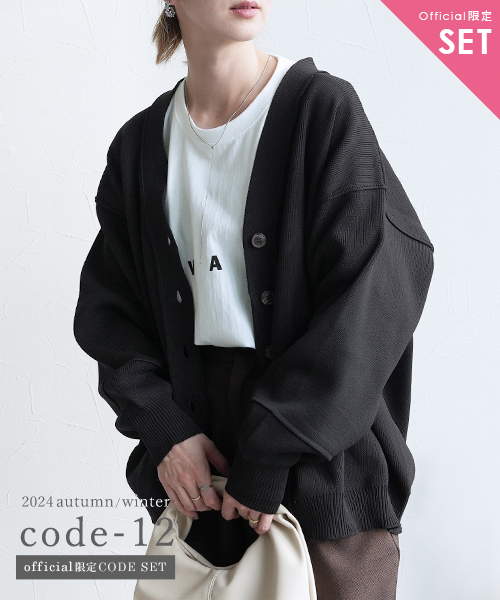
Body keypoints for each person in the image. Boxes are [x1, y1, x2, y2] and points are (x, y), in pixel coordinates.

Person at [73, 1, 435, 598]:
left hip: (325, 479)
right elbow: (111, 316)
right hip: (198, 483)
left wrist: (272, 450)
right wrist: (166, 429)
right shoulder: (138, 148)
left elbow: (377, 289)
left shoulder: (322, 111)